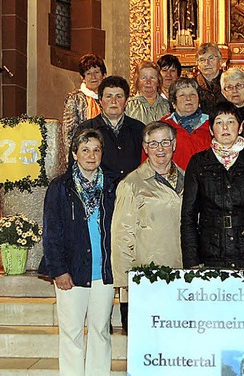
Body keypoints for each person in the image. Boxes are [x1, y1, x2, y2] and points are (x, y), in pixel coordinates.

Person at [40, 128, 118, 376]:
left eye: (96, 150)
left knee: (100, 331)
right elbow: (51, 232)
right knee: (72, 332)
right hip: (71, 271)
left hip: (104, 271)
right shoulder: (60, 187)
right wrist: (58, 270)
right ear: (75, 154)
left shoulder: (114, 185)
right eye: (85, 150)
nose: (91, 155)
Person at [181, 101, 244, 269]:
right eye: (219, 122)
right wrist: (191, 261)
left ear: (240, 128)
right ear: (211, 130)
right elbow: (188, 217)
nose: (225, 128)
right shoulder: (198, 163)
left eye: (231, 122)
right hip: (210, 255)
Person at [111, 121, 184, 334]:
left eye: (165, 142)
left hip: (180, 274)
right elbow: (121, 234)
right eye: (153, 144)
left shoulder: (188, 178)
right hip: (145, 276)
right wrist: (125, 278)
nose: (160, 149)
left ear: (174, 145)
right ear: (145, 148)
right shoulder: (131, 184)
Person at [74, 76, 145, 178]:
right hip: (98, 191)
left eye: (119, 96)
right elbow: (75, 167)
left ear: (126, 100)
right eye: (108, 96)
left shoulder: (139, 129)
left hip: (133, 190)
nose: (113, 101)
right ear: (100, 100)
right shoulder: (86, 129)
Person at [161, 77, 212, 170]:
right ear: (173, 103)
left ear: (199, 101)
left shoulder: (213, 124)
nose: (188, 98)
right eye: (182, 95)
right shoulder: (162, 126)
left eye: (193, 94)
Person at [62, 54, 107, 160]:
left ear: (104, 75)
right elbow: (69, 133)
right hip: (84, 155)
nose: (93, 77)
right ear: (82, 78)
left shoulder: (109, 98)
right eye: (88, 73)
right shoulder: (75, 98)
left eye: (96, 72)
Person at [195, 42, 227, 115]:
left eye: (211, 58)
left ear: (221, 61)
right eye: (202, 60)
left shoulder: (230, 82)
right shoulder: (192, 85)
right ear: (198, 64)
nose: (207, 63)